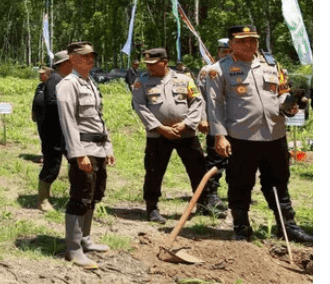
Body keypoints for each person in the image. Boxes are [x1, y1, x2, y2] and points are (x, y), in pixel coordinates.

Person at [204, 25, 312, 244]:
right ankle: (241, 228)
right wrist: (219, 136)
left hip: (274, 135)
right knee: (240, 184)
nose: (249, 44)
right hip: (242, 137)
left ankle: (287, 227)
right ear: (231, 43)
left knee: (278, 182)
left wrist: (289, 106)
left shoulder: (272, 66)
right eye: (243, 41)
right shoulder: (219, 70)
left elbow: (281, 95)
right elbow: (215, 105)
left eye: (253, 40)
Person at [131, 48, 214, 224]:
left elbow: (197, 101)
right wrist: (160, 127)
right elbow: (140, 106)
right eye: (147, 65)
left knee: (197, 168)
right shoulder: (142, 82)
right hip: (158, 135)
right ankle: (152, 208)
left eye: (153, 64)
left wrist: (187, 123)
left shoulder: (184, 79)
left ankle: (203, 204)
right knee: (154, 171)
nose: (149, 68)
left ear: (165, 62)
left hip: (186, 134)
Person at [57, 41, 113, 269]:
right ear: (72, 59)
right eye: (85, 56)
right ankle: (74, 248)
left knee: (93, 195)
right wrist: (78, 154)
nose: (90, 59)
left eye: (92, 55)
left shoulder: (89, 81)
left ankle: (85, 239)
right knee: (80, 197)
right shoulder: (68, 84)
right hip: (83, 150)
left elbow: (98, 118)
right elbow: (68, 122)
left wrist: (107, 146)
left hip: (97, 148)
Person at [197, 38, 231, 209]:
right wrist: (203, 118)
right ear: (218, 52)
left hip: (237, 124)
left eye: (230, 51)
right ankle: (211, 195)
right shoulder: (209, 71)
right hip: (216, 122)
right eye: (224, 51)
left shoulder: (239, 69)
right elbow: (201, 98)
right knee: (214, 161)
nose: (227, 54)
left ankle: (235, 195)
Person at [37, 51, 71, 211]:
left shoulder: (63, 79)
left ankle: (48, 194)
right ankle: (42, 199)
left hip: (63, 131)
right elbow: (51, 103)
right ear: (64, 63)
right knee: (52, 165)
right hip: (53, 132)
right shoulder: (54, 80)